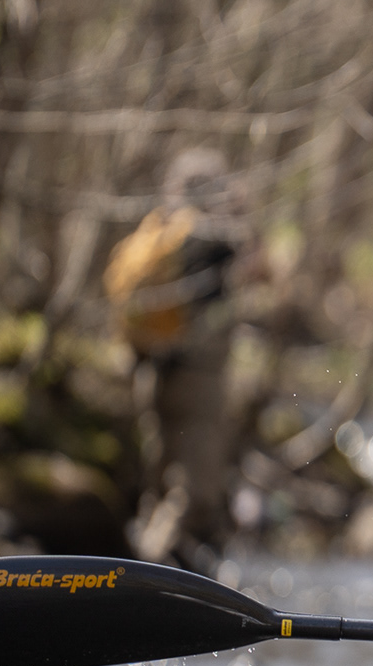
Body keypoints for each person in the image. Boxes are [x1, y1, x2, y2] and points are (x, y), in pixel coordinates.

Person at [104, 148, 261, 564]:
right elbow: (258, 268)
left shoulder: (158, 231)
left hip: (150, 371)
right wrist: (241, 214)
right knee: (196, 493)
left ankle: (141, 560)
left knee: (158, 482)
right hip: (196, 383)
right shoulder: (213, 237)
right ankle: (151, 567)